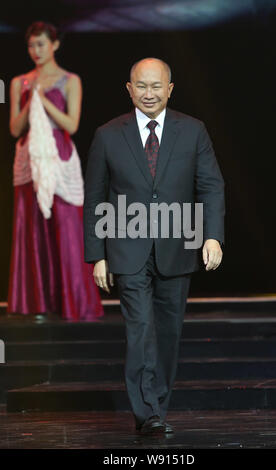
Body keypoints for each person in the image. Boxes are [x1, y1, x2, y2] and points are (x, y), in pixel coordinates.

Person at [83, 58, 225, 433]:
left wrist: (212, 236)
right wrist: (96, 255)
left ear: (170, 89)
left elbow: (211, 185)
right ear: (129, 89)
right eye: (141, 86)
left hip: (178, 247)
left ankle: (156, 404)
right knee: (140, 328)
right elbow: (96, 197)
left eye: (156, 86)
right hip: (127, 250)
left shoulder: (193, 131)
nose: (149, 93)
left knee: (167, 333)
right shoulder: (108, 134)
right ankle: (147, 411)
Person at [7, 21, 104, 321]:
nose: (36, 51)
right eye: (31, 45)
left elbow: (72, 124)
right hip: (29, 160)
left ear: (55, 45)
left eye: (41, 44)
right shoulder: (19, 82)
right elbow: (14, 128)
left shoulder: (69, 80)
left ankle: (74, 302)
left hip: (60, 159)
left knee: (67, 227)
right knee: (31, 229)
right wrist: (31, 97)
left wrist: (45, 102)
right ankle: (34, 303)